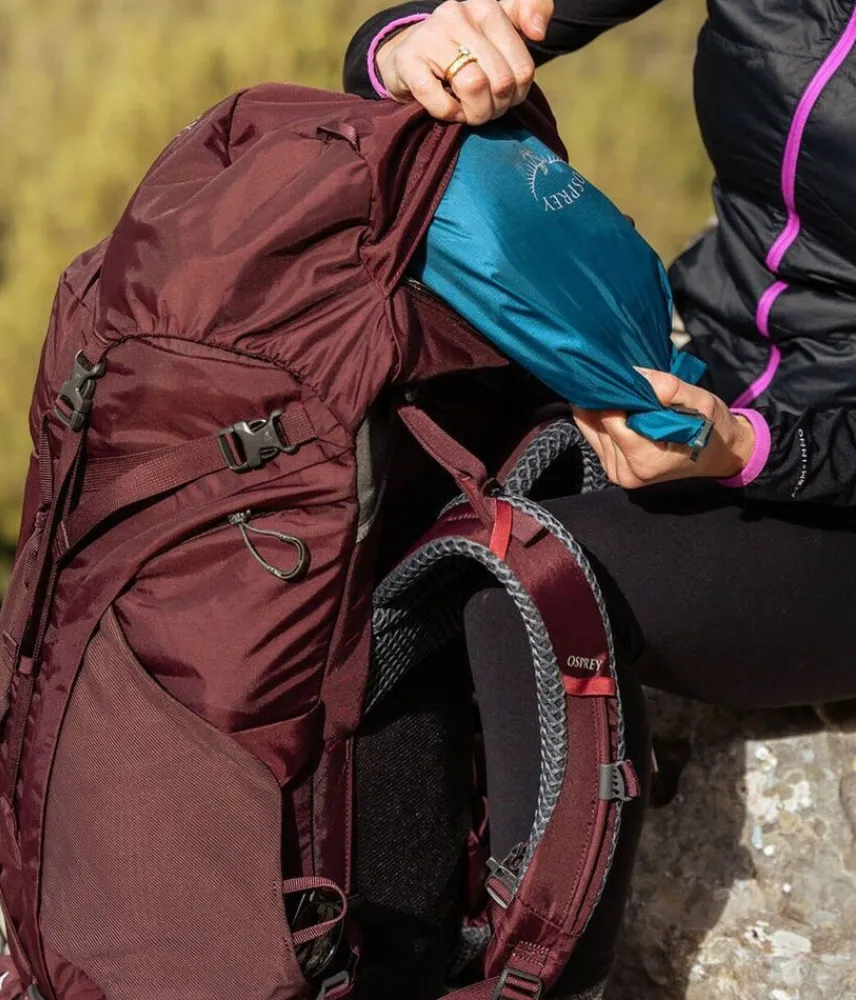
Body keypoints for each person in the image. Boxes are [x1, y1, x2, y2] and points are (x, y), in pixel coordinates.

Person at [343, 2, 856, 996]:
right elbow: (473, 23)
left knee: (526, 583)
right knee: (385, 509)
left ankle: (538, 980)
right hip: (699, 362)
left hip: (828, 496)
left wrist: (748, 449)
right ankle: (366, 962)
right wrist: (409, 46)